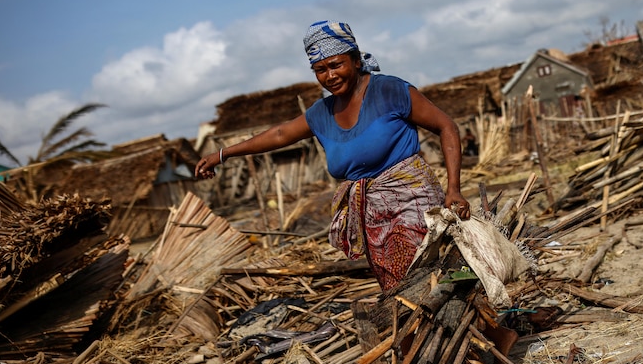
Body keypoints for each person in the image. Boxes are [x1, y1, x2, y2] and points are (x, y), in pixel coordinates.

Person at [195, 20, 471, 292]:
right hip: (371, 214)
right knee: (397, 287)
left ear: (356, 60)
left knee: (427, 279)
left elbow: (446, 126)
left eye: (336, 65)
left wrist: (454, 189)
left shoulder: (389, 90)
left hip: (413, 203)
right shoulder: (321, 113)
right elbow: (280, 134)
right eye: (320, 70)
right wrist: (223, 154)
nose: (330, 76)